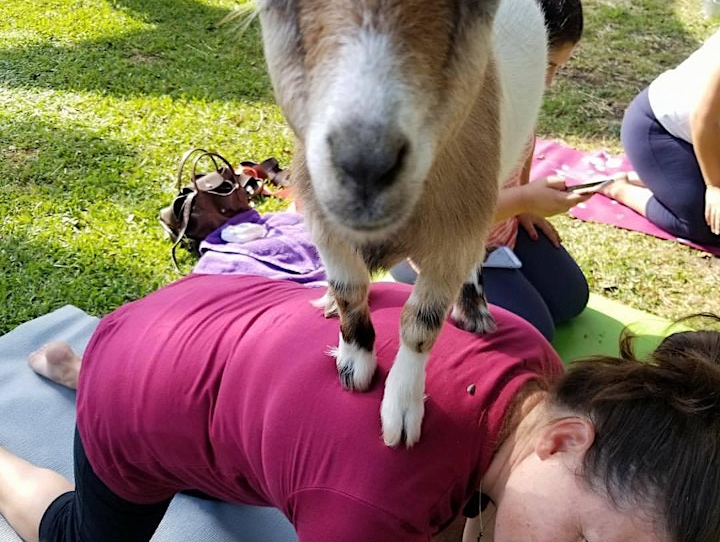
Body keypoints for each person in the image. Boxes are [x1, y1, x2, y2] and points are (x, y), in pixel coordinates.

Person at [0, 273, 718, 542]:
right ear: (563, 442)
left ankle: (85, 361)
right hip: (140, 392)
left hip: (205, 311)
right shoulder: (370, 506)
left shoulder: (536, 362)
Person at [392, 0, 592, 341]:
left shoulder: (516, 84)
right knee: (534, 332)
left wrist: (523, 203)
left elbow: (526, 144)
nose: (547, 82)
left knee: (571, 298)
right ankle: (407, 274)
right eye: (543, 65)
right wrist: (524, 200)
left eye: (558, 69)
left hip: (497, 230)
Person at [601, 29, 720, 246]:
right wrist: (715, 188)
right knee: (708, 224)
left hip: (703, 140)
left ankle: (659, 180)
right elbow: (704, 119)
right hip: (657, 130)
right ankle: (618, 187)